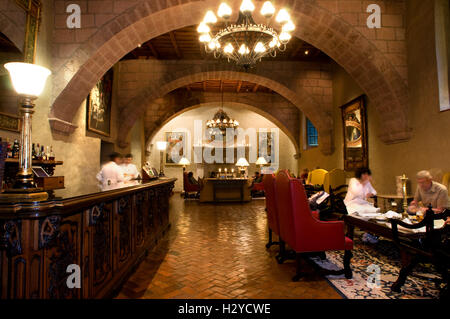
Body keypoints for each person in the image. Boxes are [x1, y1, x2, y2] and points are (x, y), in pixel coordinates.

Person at [344, 167, 379, 244]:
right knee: (360, 212)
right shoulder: (353, 180)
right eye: (364, 174)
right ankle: (365, 232)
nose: (366, 176)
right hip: (352, 202)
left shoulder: (367, 182)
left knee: (373, 212)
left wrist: (371, 193)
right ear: (360, 174)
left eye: (367, 174)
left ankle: (369, 233)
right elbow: (356, 192)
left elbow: (374, 191)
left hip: (362, 203)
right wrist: (364, 183)